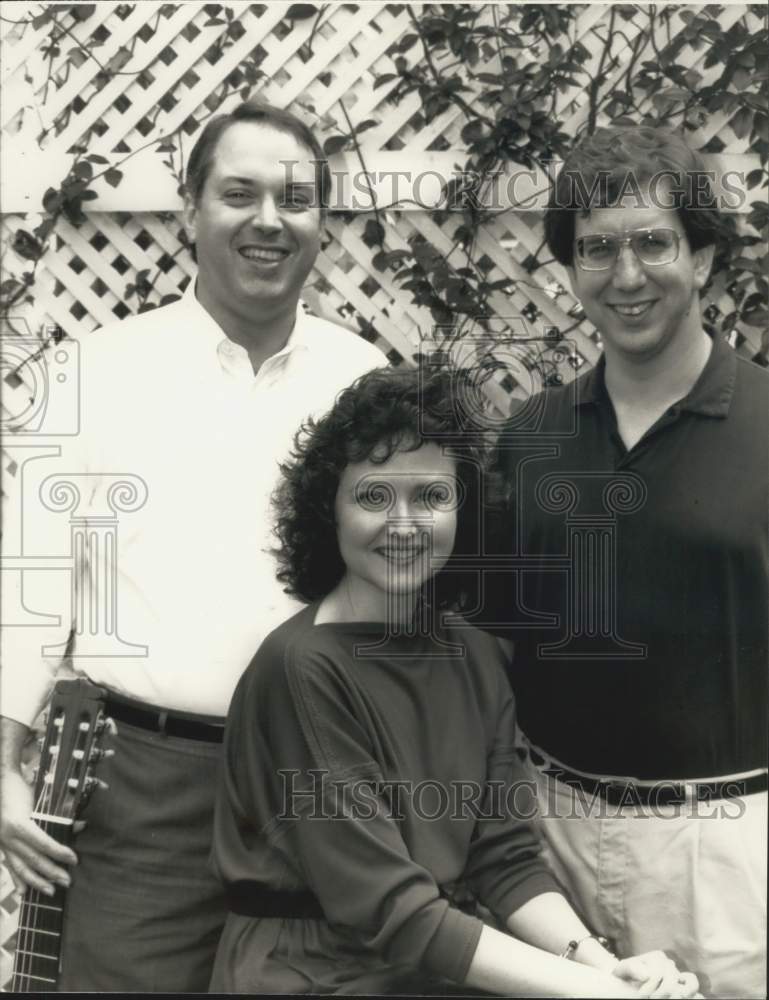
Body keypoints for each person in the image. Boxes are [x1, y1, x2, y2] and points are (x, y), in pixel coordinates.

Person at [0, 99, 386, 991]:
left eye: (294, 199)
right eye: (238, 193)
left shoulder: (362, 381)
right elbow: (32, 588)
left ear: (321, 223)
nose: (268, 220)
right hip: (138, 793)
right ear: (190, 210)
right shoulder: (93, 372)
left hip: (315, 786)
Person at [209, 365, 700, 997]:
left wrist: (605, 969)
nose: (404, 524)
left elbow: (504, 858)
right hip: (311, 971)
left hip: (427, 964)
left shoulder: (473, 653)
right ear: (328, 510)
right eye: (373, 497)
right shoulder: (301, 668)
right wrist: (597, 994)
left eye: (432, 497)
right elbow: (391, 910)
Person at [483, 125, 768, 998]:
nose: (626, 274)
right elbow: (491, 650)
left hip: (725, 852)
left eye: (652, 242)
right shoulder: (530, 437)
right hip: (550, 841)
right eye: (597, 248)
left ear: (703, 258)